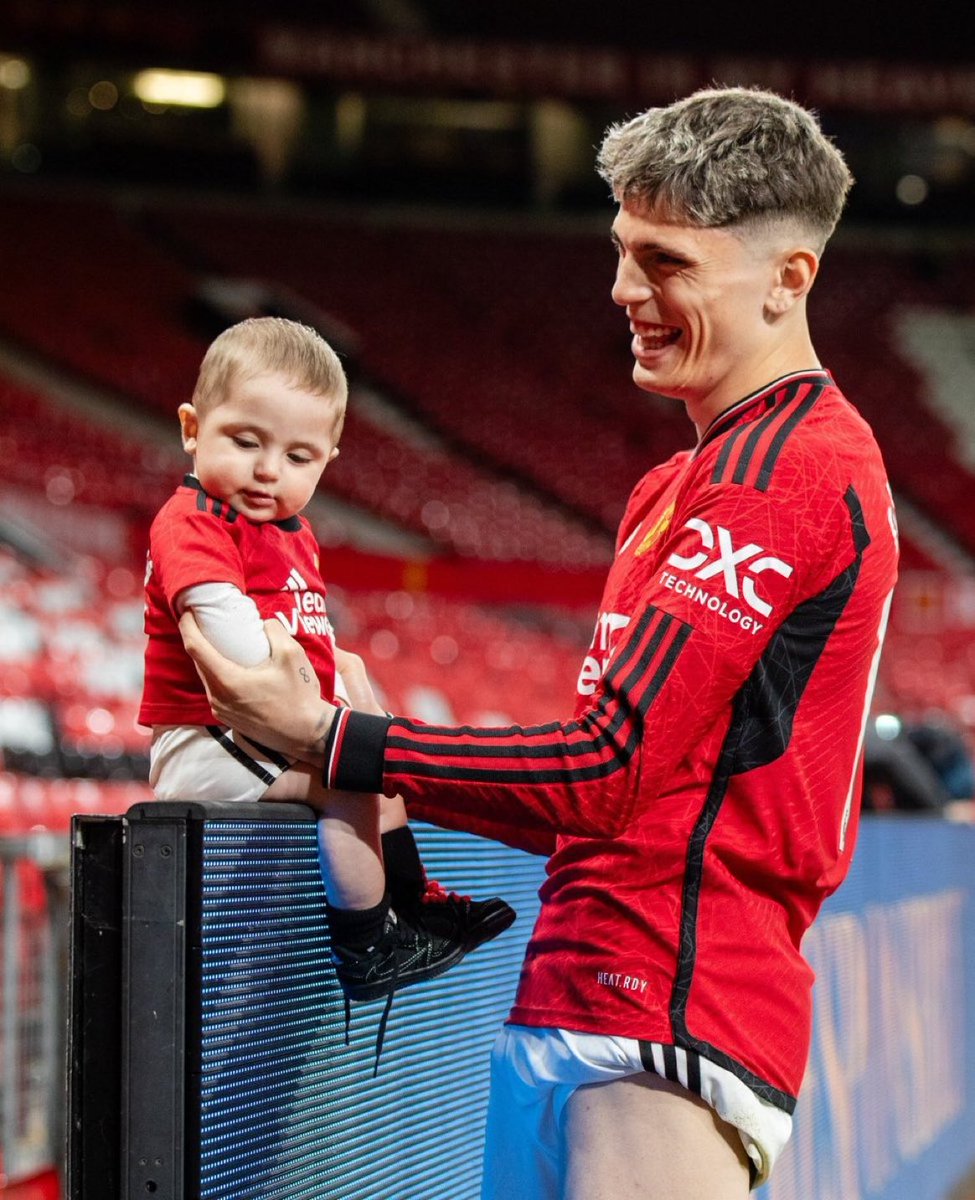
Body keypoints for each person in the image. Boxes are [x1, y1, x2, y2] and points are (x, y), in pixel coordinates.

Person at [177, 89, 899, 1199]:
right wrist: (358, 754)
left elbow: (603, 773)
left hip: (665, 1016)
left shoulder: (786, 474)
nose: (623, 291)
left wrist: (342, 742)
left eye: (665, 263)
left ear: (789, 278)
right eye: (621, 252)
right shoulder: (686, 478)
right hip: (590, 996)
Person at [138, 316, 514, 1044]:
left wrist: (346, 710)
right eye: (246, 441)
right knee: (347, 778)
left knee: (379, 750)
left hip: (265, 730)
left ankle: (413, 903)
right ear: (192, 427)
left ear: (329, 460)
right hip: (208, 740)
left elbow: (312, 638)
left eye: (298, 455)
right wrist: (321, 719)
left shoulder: (292, 531)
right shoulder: (194, 520)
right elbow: (233, 641)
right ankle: (367, 944)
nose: (268, 469)